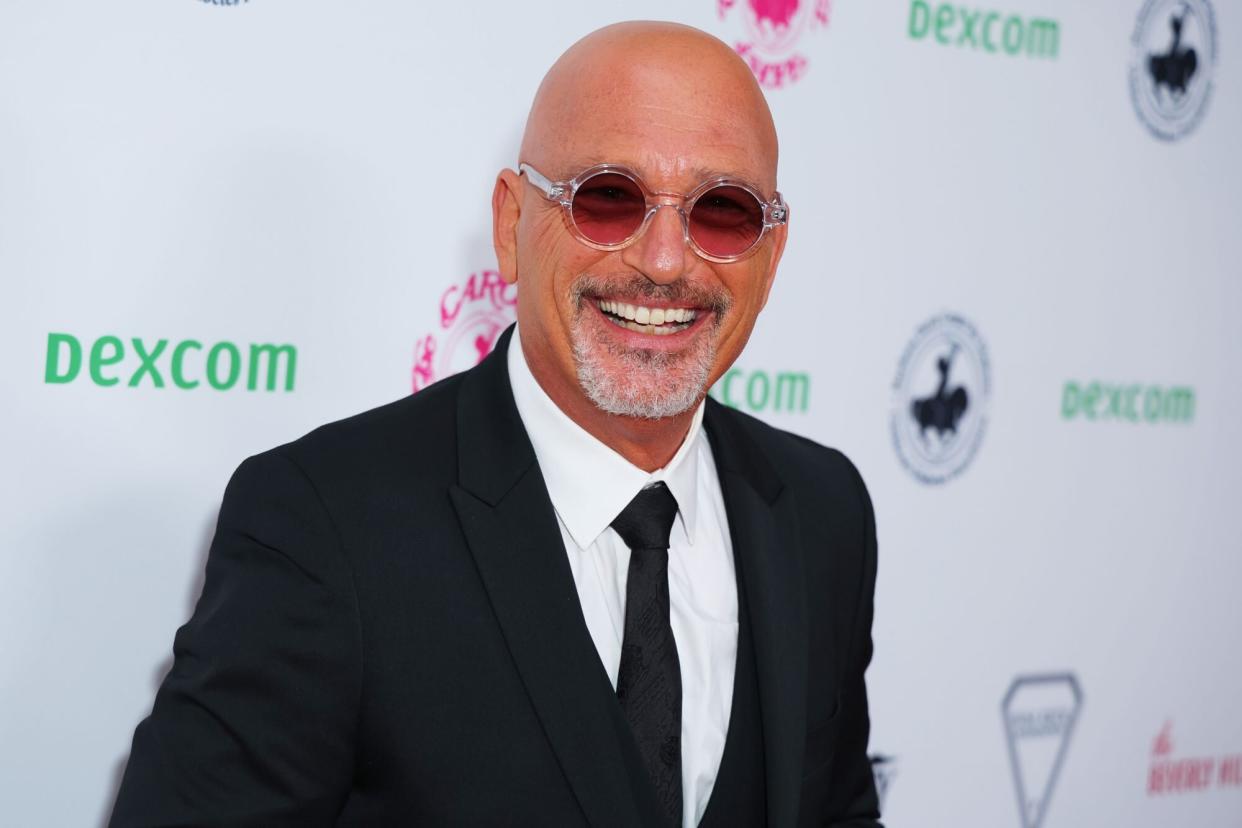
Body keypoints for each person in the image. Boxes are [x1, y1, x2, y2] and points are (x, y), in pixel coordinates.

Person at [110, 20, 882, 828]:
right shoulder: (324, 523)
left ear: (771, 255)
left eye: (722, 211)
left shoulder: (822, 510)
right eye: (608, 199)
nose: (664, 261)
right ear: (512, 224)